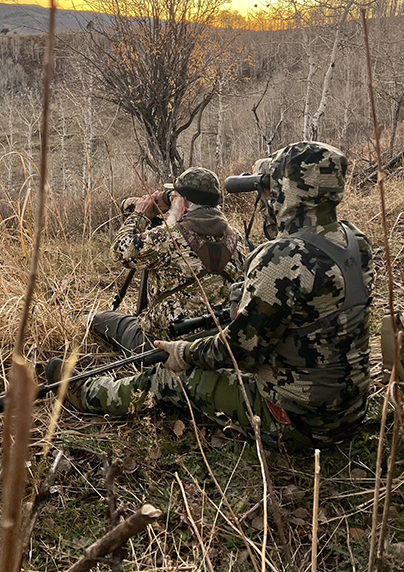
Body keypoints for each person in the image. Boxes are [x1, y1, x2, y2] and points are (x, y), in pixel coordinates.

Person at [50, 142, 374, 451]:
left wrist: (184, 353)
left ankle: (86, 392)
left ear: (286, 192)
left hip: (294, 423)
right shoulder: (354, 241)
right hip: (350, 412)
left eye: (269, 188)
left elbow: (240, 350)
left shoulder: (280, 258)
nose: (265, 197)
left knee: (165, 378)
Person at [90, 167, 245, 360]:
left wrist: (140, 215)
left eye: (174, 197)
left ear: (184, 204)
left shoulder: (166, 239)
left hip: (165, 345)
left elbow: (119, 251)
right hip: (217, 343)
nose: (171, 202)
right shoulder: (237, 239)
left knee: (99, 319)